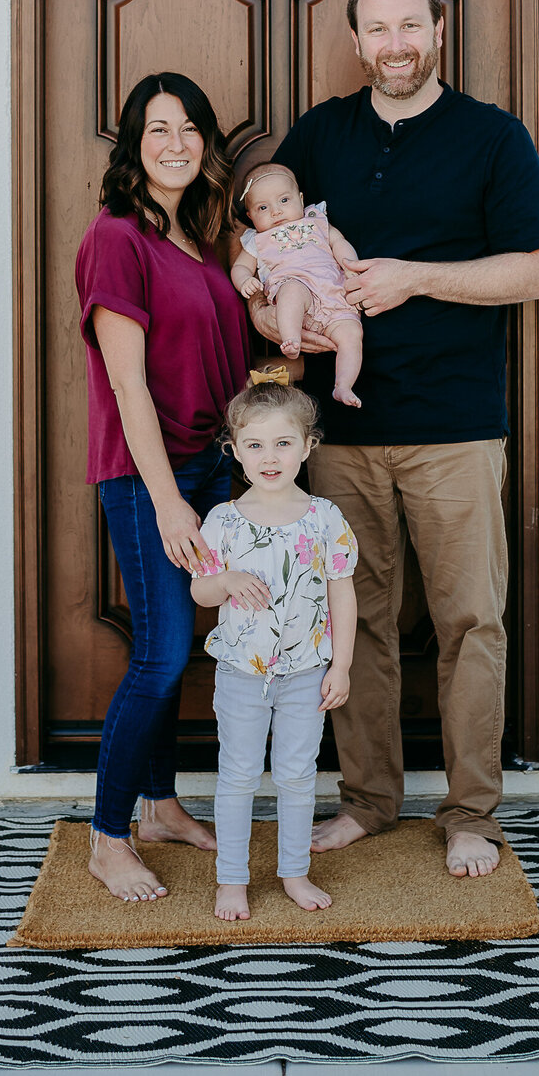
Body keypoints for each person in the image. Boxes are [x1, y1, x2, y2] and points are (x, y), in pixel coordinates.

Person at [251, 0, 539, 880]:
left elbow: (538, 270)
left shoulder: (491, 138)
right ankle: (368, 800)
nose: (394, 44)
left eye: (409, 26)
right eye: (376, 29)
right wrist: (271, 311)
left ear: (438, 32)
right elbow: (268, 250)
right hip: (339, 436)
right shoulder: (319, 135)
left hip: (457, 428)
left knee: (472, 620)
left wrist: (415, 276)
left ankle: (471, 813)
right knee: (362, 622)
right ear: (356, 41)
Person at [75, 71, 250, 902]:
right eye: (156, 129)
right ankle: (108, 838)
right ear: (133, 145)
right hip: (153, 473)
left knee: (173, 648)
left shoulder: (202, 236)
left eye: (188, 127)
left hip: (215, 462)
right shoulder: (117, 237)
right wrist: (171, 501)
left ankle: (162, 806)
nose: (175, 142)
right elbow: (128, 386)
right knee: (162, 652)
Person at [190, 379, 358, 922]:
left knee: (296, 775)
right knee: (237, 774)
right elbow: (201, 590)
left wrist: (343, 664)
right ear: (234, 449)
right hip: (242, 672)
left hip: (306, 673)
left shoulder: (325, 518)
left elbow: (341, 591)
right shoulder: (224, 522)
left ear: (308, 447)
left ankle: (293, 872)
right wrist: (228, 580)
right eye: (255, 445)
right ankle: (232, 879)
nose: (269, 457)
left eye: (283, 443)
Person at [229, 162, 364, 407]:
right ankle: (291, 339)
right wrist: (244, 281)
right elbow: (240, 267)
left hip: (334, 295)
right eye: (263, 207)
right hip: (296, 286)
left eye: (284, 200)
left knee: (352, 334)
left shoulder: (316, 219)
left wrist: (351, 267)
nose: (276, 212)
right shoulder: (256, 240)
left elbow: (339, 242)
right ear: (250, 216)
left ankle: (343, 385)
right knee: (291, 292)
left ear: (300, 199)